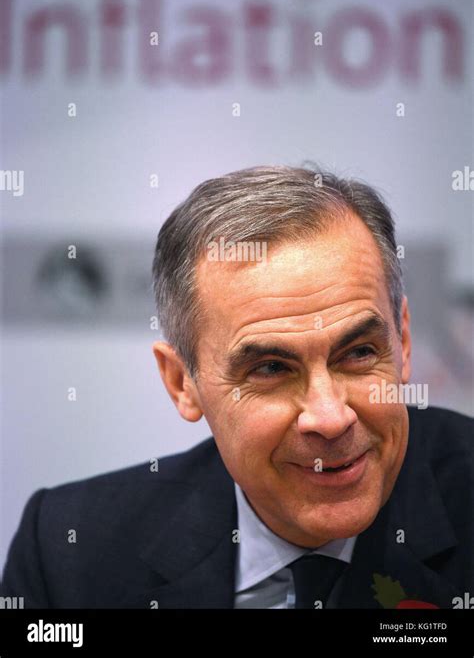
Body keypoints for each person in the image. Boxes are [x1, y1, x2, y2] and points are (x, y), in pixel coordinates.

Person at [1, 165, 472, 609]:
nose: (330, 418)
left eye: (359, 353)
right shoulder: (71, 552)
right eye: (270, 369)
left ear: (403, 341)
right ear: (181, 382)